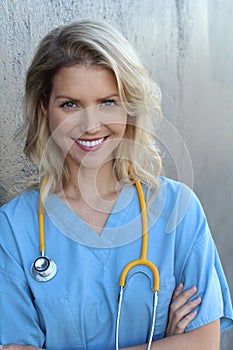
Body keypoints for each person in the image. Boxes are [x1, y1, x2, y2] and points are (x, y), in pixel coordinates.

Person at [0, 19, 232, 350]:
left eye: (108, 102)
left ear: (130, 107)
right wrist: (163, 343)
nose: (91, 125)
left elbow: (204, 343)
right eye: (70, 104)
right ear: (44, 108)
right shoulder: (12, 229)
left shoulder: (178, 210)